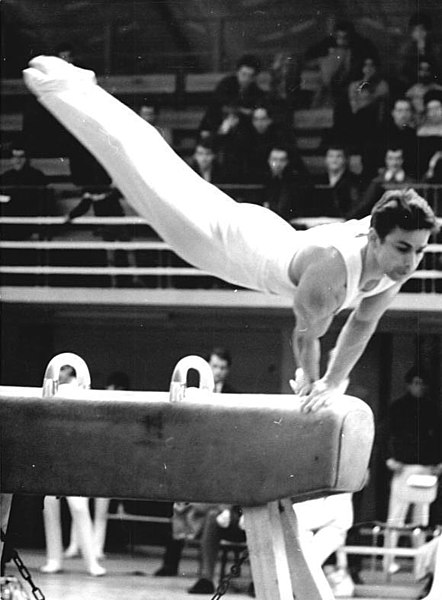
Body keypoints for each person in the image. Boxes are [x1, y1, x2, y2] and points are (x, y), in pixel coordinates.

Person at [23, 56, 439, 413]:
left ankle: (79, 88)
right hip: (231, 249)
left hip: (264, 234)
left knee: (156, 169)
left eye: (420, 252)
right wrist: (315, 388)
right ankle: (64, 88)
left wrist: (332, 383)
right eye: (404, 248)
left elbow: (362, 325)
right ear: (376, 239)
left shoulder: (391, 266)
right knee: (142, 174)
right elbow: (305, 336)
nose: (410, 262)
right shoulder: (332, 269)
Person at [154, 347, 238, 587]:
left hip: (217, 458)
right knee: (179, 506)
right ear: (208, 366)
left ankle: (204, 573)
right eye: (215, 366)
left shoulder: (233, 396)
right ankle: (170, 563)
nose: (218, 371)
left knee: (212, 513)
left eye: (222, 367)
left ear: (227, 370)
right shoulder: (192, 393)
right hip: (193, 457)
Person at [40, 364, 106, 576]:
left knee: (79, 508)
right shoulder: (50, 390)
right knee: (50, 508)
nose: (59, 375)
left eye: (63, 371)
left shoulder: (77, 391)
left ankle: (90, 561)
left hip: (75, 460)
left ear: (70, 374)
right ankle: (53, 558)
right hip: (54, 459)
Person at [381, 366, 442, 575]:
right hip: (403, 466)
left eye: (422, 384)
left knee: (421, 520)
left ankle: (420, 566)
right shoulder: (397, 407)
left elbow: (439, 437)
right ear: (409, 384)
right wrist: (389, 458)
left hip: (425, 468)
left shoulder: (432, 409)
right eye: (416, 383)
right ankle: (388, 562)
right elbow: (385, 433)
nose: (420, 387)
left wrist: (439, 464)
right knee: (396, 516)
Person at [0, 143, 50, 239]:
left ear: (27, 159)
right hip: (8, 227)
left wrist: (38, 230)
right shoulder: (4, 178)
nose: (18, 160)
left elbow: (44, 205)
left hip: (30, 226)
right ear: (10, 159)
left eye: (21, 157)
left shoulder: (38, 177)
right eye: (14, 157)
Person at [350, 146, 414, 219]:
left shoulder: (411, 182)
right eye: (390, 158)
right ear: (386, 160)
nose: (394, 163)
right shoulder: (377, 182)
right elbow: (364, 204)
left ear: (402, 160)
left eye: (397, 159)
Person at [260, 145, 312, 221]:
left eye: (282, 160)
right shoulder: (261, 179)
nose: (278, 164)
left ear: (287, 162)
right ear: (268, 160)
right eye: (274, 160)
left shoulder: (294, 181)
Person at [313, 145, 360, 219]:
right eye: (331, 156)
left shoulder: (354, 180)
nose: (334, 160)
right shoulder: (318, 180)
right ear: (325, 159)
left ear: (346, 159)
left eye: (339, 156)